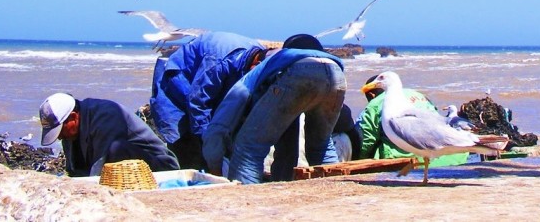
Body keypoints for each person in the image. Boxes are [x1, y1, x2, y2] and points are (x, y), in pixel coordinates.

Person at [202, 34, 346, 184]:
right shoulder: (321, 58)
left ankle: (244, 199)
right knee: (321, 145)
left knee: (248, 149)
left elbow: (222, 120)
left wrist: (214, 166)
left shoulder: (268, 65)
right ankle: (336, 190)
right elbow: (287, 142)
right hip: (337, 73)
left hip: (300, 70)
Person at [150, 32, 269, 169]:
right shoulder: (217, 62)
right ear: (256, 65)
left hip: (208, 82)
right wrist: (208, 142)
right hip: (178, 80)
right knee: (185, 141)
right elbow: (198, 102)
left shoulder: (261, 56)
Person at [39, 92, 180, 177]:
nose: (59, 137)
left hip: (162, 168)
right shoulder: (70, 131)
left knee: (116, 149)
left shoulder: (106, 115)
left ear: (73, 117)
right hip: (118, 169)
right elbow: (73, 170)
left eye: (60, 131)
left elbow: (100, 166)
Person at [356, 74, 468, 166]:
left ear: (371, 94)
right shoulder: (419, 95)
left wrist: (359, 162)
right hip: (457, 157)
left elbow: (366, 141)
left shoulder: (375, 105)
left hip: (416, 162)